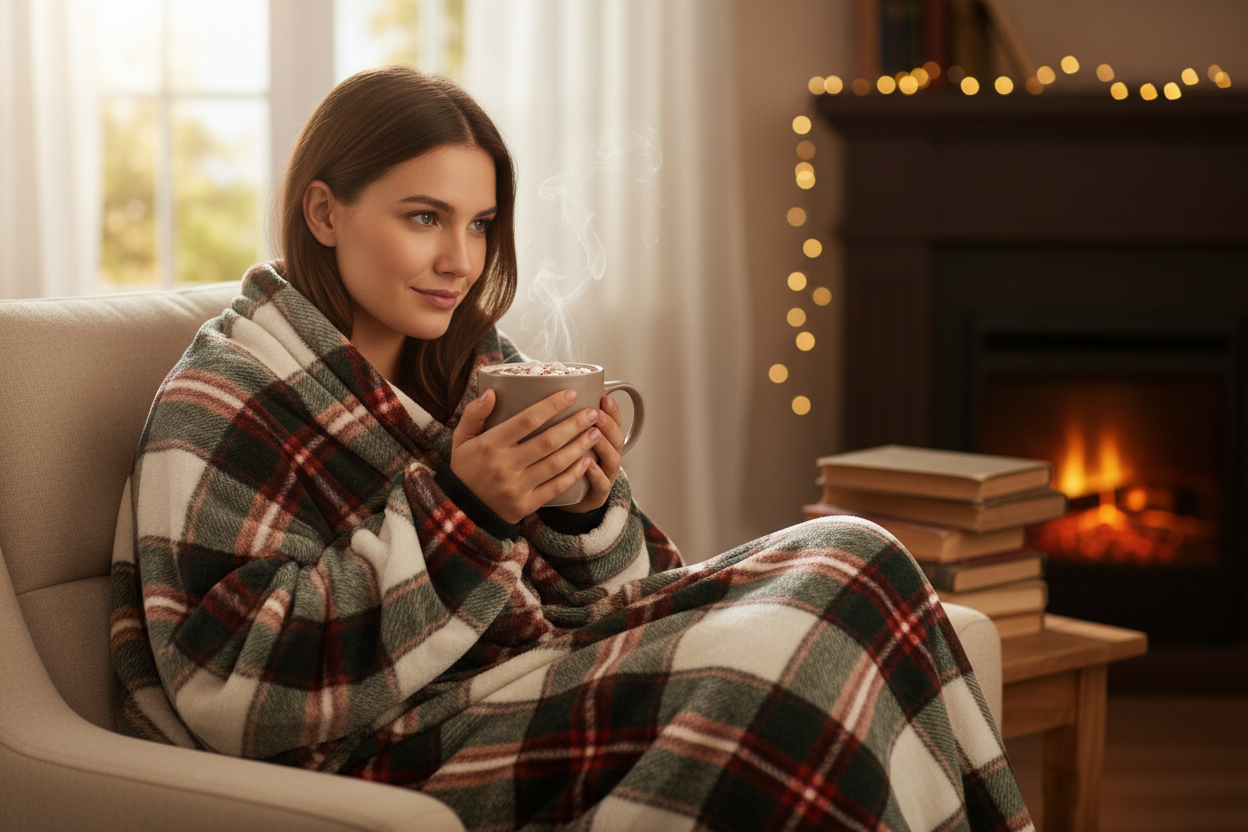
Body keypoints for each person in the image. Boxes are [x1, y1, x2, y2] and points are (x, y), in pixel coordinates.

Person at [110, 65, 1032, 831]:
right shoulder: (225, 395)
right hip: (393, 738)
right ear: (323, 212)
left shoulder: (477, 361)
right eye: (424, 217)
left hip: (534, 665)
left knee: (859, 550)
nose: (460, 262)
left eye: (478, 225)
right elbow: (227, 685)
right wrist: (465, 514)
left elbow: (624, 592)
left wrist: (584, 507)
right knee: (770, 665)